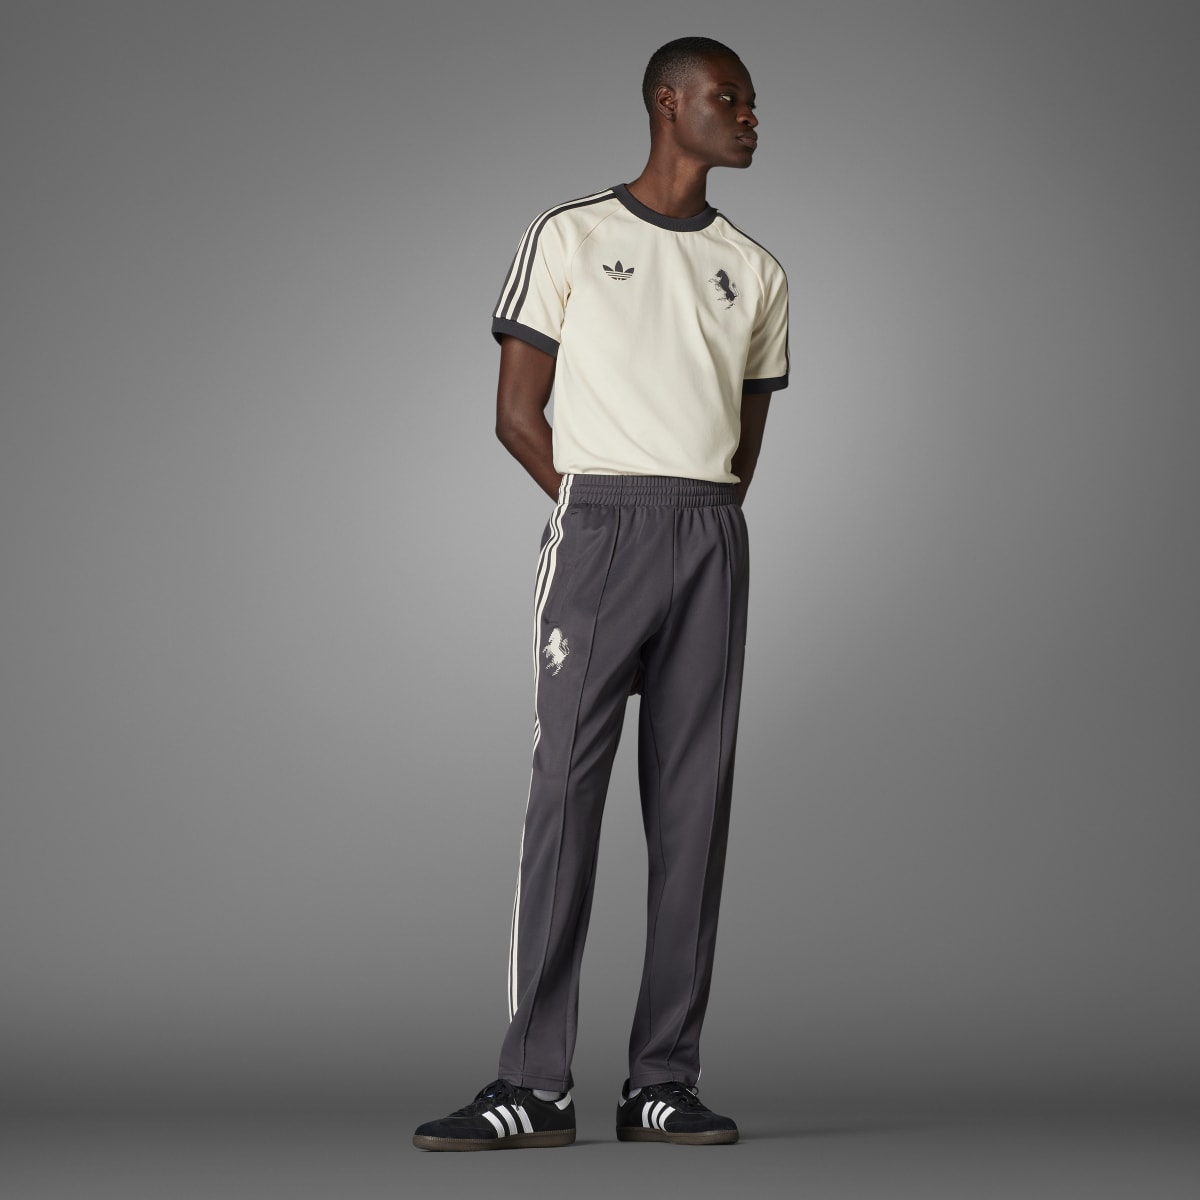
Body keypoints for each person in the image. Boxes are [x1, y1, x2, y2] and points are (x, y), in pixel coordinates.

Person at [413, 35, 788, 1151]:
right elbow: (514, 413)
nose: (751, 116)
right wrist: (598, 510)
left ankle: (662, 1080)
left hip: (710, 535)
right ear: (669, 104)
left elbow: (740, 448)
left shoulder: (758, 271)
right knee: (565, 796)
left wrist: (686, 512)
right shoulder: (570, 235)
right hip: (600, 530)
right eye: (730, 98)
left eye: (753, 101)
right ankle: (534, 1085)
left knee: (692, 809)